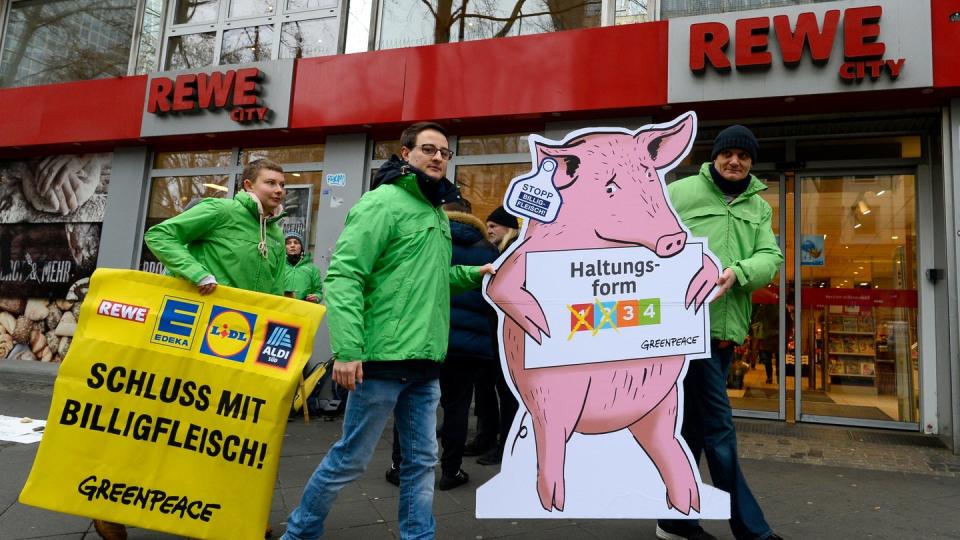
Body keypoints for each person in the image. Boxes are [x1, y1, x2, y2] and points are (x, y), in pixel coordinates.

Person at [281, 122, 495, 540]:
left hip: (425, 362)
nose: (438, 158)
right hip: (380, 362)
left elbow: (430, 276)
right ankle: (299, 534)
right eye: (429, 149)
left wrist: (475, 273)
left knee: (420, 461)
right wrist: (346, 350)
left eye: (444, 153)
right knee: (352, 459)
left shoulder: (434, 210)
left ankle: (418, 536)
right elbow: (344, 275)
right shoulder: (382, 203)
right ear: (405, 153)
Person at [93, 158, 288, 540]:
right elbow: (161, 236)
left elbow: (275, 295)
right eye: (270, 183)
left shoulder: (277, 235)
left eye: (282, 184)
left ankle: (240, 513)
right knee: (167, 424)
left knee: (234, 434)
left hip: (245, 345)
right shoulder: (221, 210)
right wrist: (197, 272)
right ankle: (110, 508)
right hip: (199, 337)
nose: (279, 190)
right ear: (248, 185)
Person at [656, 125, 784, 540]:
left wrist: (739, 272)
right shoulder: (681, 192)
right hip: (686, 328)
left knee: (694, 428)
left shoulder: (758, 206)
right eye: (728, 153)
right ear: (715, 157)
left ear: (751, 162)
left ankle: (674, 520)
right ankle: (752, 531)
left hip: (726, 332)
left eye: (743, 156)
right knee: (720, 430)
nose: (735, 161)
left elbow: (770, 256)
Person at [386, 197, 501, 490]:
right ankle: (451, 470)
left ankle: (400, 466)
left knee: (411, 403)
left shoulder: (429, 241)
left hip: (426, 337)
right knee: (457, 407)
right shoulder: (488, 250)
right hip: (470, 344)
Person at [465, 206, 520, 457]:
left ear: (508, 228)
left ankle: (504, 446)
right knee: (494, 387)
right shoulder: (499, 251)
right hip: (496, 334)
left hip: (508, 335)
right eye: (487, 224)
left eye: (494, 225)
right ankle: (494, 440)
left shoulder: (512, 251)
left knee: (506, 392)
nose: (489, 229)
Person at [283, 231, 323, 303]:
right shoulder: (279, 267)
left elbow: (318, 292)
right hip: (281, 308)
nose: (292, 245)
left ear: (301, 247)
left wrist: (316, 297)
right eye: (288, 243)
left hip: (303, 310)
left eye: (296, 242)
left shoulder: (312, 269)